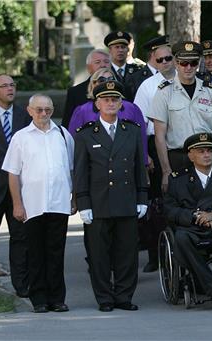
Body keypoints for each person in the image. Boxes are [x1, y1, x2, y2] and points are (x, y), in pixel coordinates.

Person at [74, 81, 148, 312]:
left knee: (127, 254)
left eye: (115, 99)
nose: (111, 103)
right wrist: (83, 202)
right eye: (106, 99)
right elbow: (80, 171)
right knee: (99, 255)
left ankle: (124, 296)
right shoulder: (86, 134)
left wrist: (142, 197)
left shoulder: (133, 130)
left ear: (121, 103)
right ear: (97, 104)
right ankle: (105, 298)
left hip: (126, 200)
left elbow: (139, 167)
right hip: (98, 202)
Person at [2, 94, 75, 313]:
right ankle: (39, 298)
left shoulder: (63, 135)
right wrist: (17, 204)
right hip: (33, 204)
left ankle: (57, 298)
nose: (44, 114)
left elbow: (72, 169)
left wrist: (75, 199)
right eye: (39, 110)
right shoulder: (21, 137)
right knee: (35, 253)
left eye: (48, 110)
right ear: (30, 110)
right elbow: (13, 174)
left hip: (59, 203)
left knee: (56, 253)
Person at [163, 133, 212, 299]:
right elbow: (170, 209)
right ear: (191, 155)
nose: (206, 155)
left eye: (209, 151)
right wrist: (195, 216)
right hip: (192, 228)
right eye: (201, 152)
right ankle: (210, 285)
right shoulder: (178, 179)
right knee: (181, 238)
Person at [149, 41, 212, 195]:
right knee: (180, 209)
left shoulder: (210, 91)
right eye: (183, 63)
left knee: (209, 204)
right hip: (179, 159)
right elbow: (159, 136)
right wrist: (166, 170)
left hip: (207, 157)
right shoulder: (164, 92)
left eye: (193, 63)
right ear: (176, 63)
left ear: (199, 63)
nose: (188, 67)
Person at [0, 74, 31, 296]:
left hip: (19, 191)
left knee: (21, 239)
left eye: (12, 85)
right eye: (4, 86)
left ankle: (22, 285)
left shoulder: (25, 116)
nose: (10, 89)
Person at [133, 41, 177, 273]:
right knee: (158, 203)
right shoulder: (147, 86)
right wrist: (145, 154)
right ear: (153, 61)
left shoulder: (187, 80)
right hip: (155, 146)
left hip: (182, 145)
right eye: (160, 60)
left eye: (169, 58)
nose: (165, 63)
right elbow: (139, 123)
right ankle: (155, 254)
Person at [67, 68, 148, 164]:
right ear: (93, 84)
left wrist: (144, 163)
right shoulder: (82, 111)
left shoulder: (131, 108)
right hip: (93, 166)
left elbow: (141, 139)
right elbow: (73, 142)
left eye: (111, 79)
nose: (107, 83)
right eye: (101, 80)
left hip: (126, 165)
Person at [62, 49, 111, 128]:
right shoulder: (75, 92)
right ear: (89, 68)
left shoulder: (122, 89)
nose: (103, 65)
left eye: (106, 62)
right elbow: (67, 123)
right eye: (98, 62)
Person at [125, 35, 171, 101]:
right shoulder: (135, 79)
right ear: (153, 54)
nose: (167, 54)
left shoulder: (172, 74)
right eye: (163, 52)